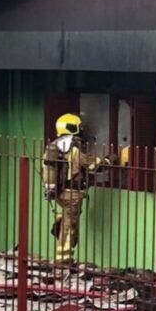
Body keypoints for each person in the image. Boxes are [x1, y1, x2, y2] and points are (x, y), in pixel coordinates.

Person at [41, 113, 111, 267]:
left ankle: (60, 219)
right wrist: (107, 160)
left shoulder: (54, 145)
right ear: (73, 127)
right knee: (69, 226)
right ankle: (63, 261)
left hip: (58, 192)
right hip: (72, 193)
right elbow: (91, 165)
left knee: (68, 219)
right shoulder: (75, 146)